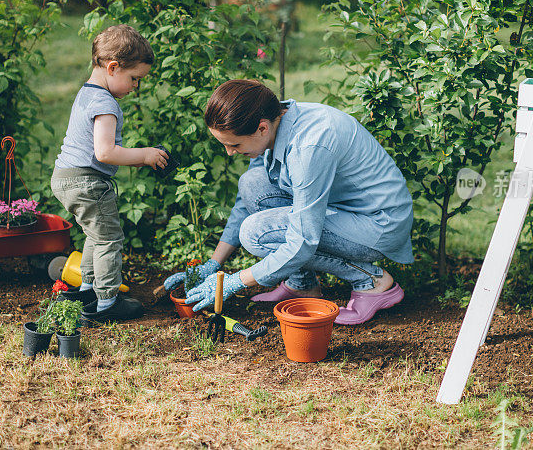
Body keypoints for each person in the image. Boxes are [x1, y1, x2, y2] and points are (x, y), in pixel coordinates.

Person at [165, 79, 413, 325]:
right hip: (344, 211)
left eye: (234, 144)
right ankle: (302, 285)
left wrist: (236, 280)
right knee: (252, 183)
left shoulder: (309, 146)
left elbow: (303, 239)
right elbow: (246, 201)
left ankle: (372, 282)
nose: (229, 153)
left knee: (255, 233)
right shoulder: (275, 121)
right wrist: (214, 263)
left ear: (261, 128)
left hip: (378, 224)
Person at [51, 24, 169, 324]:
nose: (135, 87)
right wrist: (143, 155)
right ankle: (107, 303)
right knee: (109, 240)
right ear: (113, 67)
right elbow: (104, 152)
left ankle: (89, 289)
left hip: (66, 177)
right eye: (135, 79)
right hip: (86, 180)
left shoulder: (87, 93)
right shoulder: (105, 103)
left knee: (96, 235)